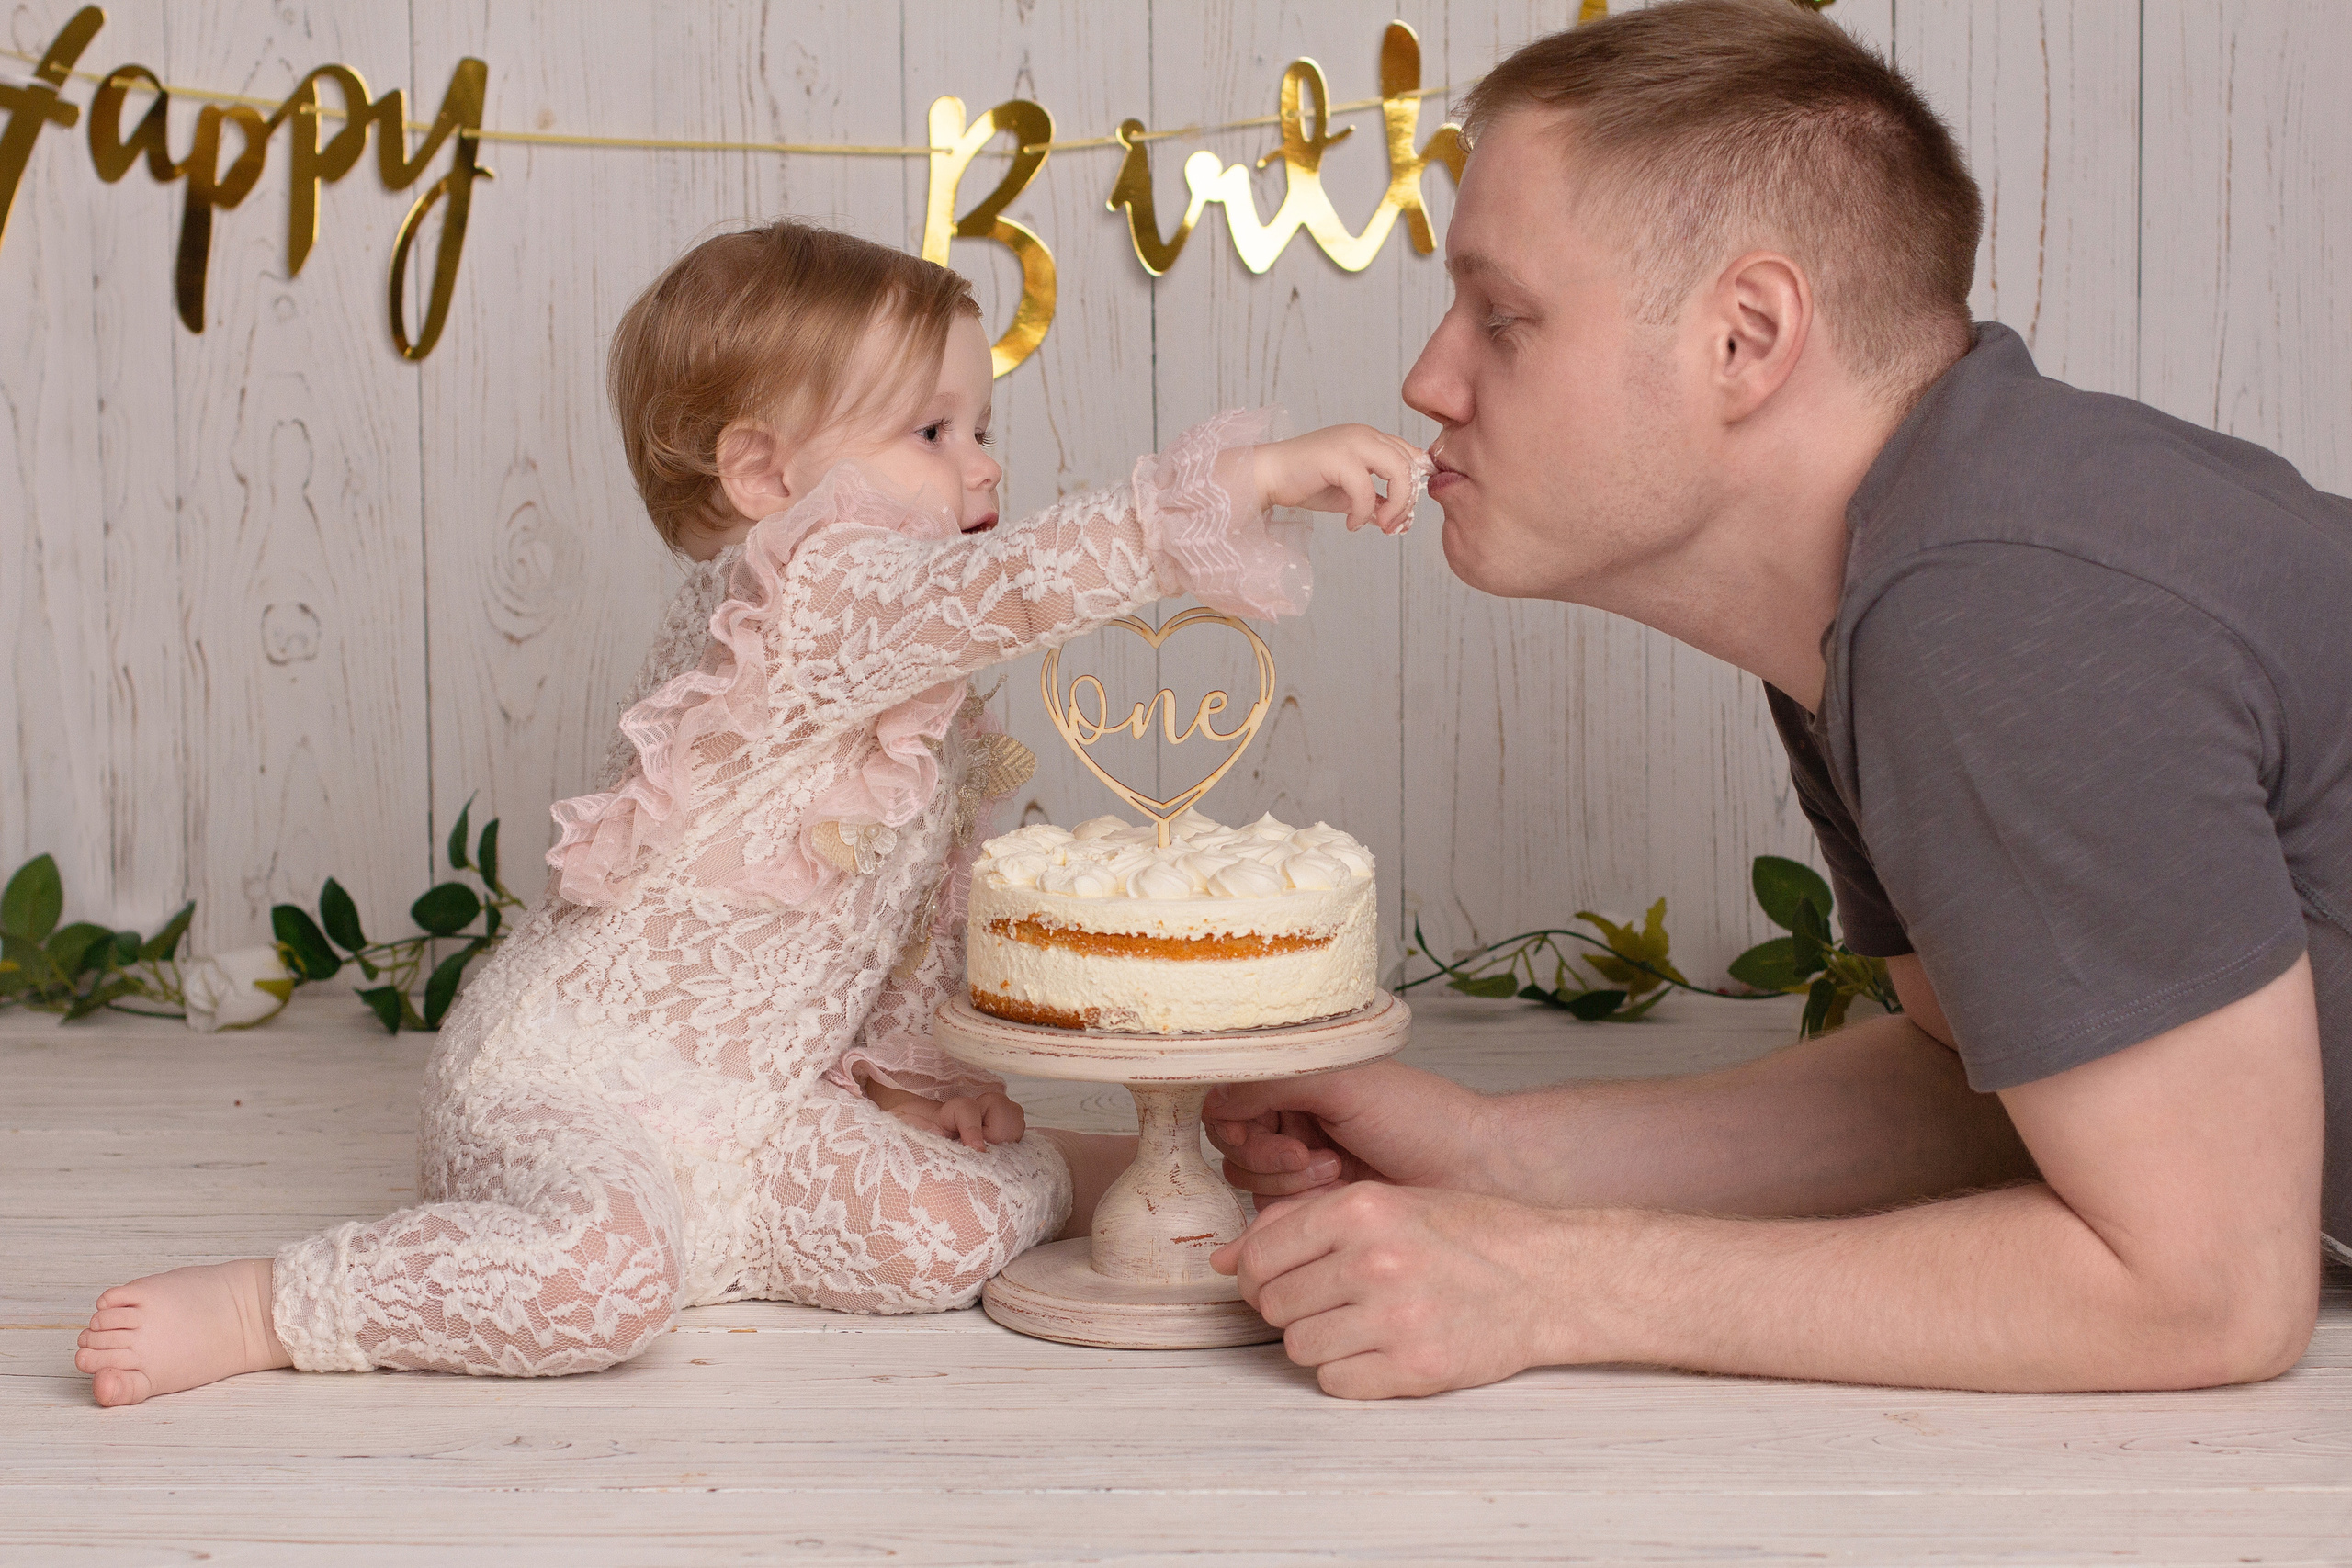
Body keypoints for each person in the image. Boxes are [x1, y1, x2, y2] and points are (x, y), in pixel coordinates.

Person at [73, 220, 1427, 1406]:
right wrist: (1233, 485)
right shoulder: (809, 597)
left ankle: (1081, 1162)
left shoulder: (917, 685)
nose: (981, 468)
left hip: (758, 1110)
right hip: (569, 1090)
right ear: (769, 478)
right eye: (933, 431)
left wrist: (912, 1076)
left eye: (984, 427)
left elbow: (900, 906)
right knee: (603, 1283)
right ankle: (275, 1305)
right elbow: (1012, 586)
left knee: (937, 1245)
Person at [1206, 0, 2350, 1400]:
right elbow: (1985, 1089)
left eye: (1504, 317)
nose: (1430, 378)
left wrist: (1549, 1282)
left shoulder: (1992, 604)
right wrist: (1500, 1159)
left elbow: (2204, 1296)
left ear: (1745, 338)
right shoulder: (1883, 597)